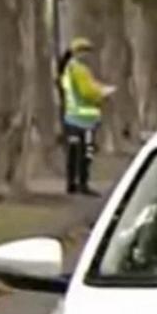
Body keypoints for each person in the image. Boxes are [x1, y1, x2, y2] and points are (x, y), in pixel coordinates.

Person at [60, 37, 113, 196]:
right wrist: (103, 93)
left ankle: (71, 183)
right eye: (86, 51)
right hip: (85, 119)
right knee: (86, 152)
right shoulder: (80, 70)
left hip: (71, 116)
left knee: (73, 151)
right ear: (79, 52)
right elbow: (87, 92)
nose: (88, 55)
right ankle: (83, 184)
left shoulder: (67, 69)